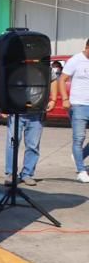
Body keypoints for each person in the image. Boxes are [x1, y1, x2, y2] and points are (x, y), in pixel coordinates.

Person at [60, 39, 89, 183]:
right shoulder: (75, 60)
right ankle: (81, 170)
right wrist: (65, 99)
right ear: (87, 47)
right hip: (78, 105)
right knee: (79, 138)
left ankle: (79, 155)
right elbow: (62, 79)